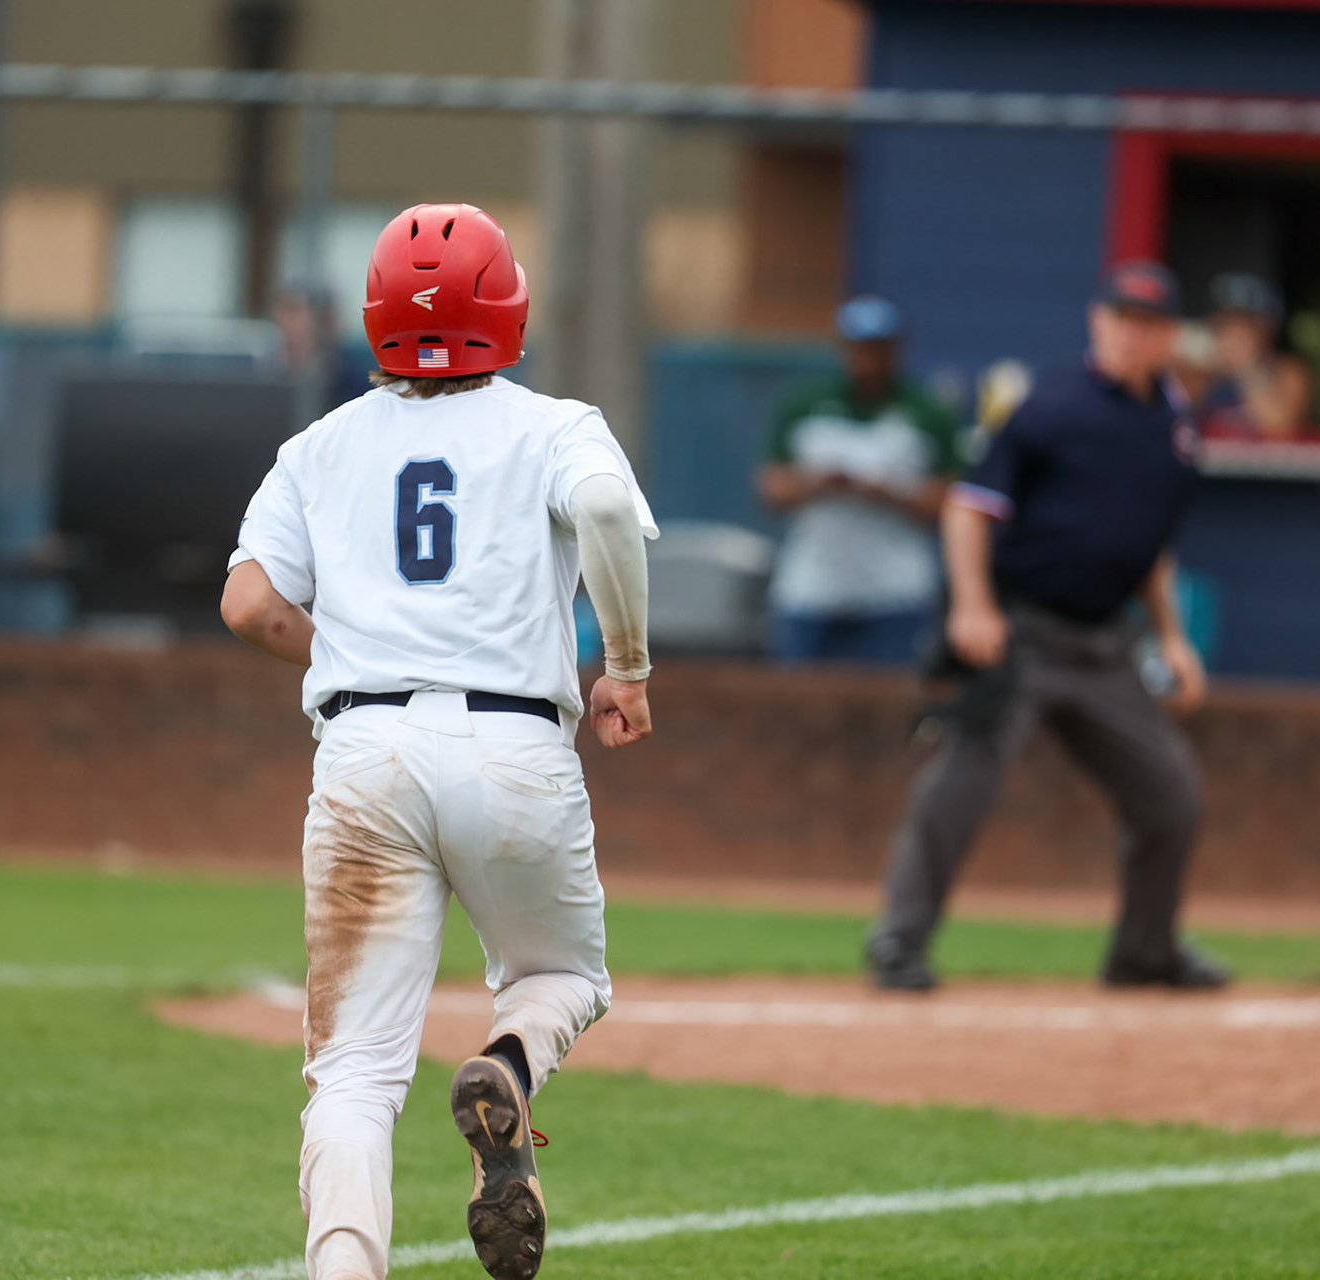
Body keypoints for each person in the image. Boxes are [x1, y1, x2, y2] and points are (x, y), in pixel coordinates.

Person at [221, 203, 655, 1280]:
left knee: (356, 1073)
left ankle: (340, 1269)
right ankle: (508, 1060)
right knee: (562, 973)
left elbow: (245, 603)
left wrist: (348, 653)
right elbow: (602, 510)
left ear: (375, 316)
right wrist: (629, 666)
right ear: (505, 308)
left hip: (366, 753)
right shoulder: (556, 424)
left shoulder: (319, 446)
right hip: (514, 745)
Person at [867, 262, 1228, 994]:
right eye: (1120, 316)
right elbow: (969, 507)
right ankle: (900, 941)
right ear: (1098, 322)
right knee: (961, 783)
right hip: (1022, 632)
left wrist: (1173, 637)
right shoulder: (1051, 405)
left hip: (1105, 643)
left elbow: (1148, 546)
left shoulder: (1174, 427)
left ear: (1169, 337)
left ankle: (1145, 953)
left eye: (1148, 322)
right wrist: (974, 607)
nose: (1132, 332)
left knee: (1172, 796)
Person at [757, 296, 962, 664]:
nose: (867, 359)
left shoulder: (927, 411)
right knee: (795, 699)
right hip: (812, 586)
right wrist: (819, 483)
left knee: (893, 703)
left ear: (896, 350)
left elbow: (951, 501)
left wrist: (890, 492)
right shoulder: (804, 405)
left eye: (878, 349)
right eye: (859, 348)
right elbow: (771, 488)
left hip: (894, 589)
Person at [1195, 272, 1315, 440]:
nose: (1234, 332)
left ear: (1267, 329)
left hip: (1264, 465)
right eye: (1226, 322)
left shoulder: (1289, 371)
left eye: (1246, 324)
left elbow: (1280, 429)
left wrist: (1247, 367)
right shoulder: (1203, 369)